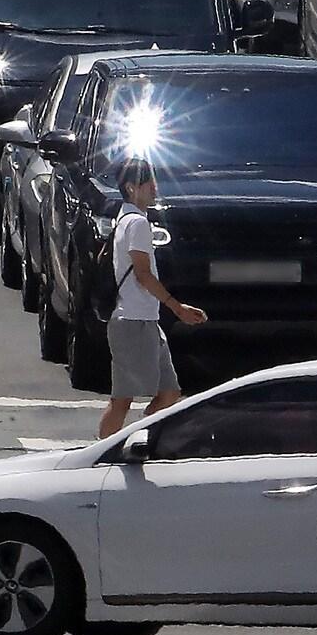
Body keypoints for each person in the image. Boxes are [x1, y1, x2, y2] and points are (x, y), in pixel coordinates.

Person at [97, 159, 207, 439]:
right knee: (122, 399)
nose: (155, 189)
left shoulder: (126, 219)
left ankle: (139, 438)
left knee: (169, 392)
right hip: (132, 321)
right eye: (149, 184)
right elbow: (143, 274)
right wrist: (177, 307)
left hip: (145, 319)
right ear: (131, 188)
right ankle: (102, 451)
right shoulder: (136, 224)